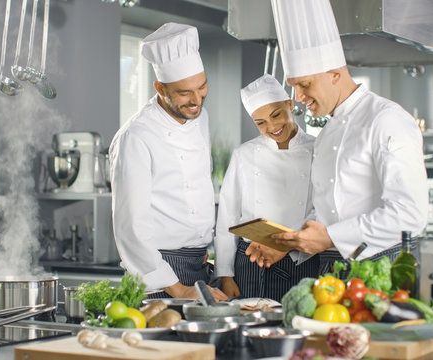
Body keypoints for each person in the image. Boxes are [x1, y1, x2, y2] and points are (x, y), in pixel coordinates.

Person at [262, 0, 429, 274]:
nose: (299, 99)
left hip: (382, 268)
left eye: (304, 85)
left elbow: (409, 215)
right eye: (294, 87)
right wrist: (292, 241)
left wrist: (330, 237)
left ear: (335, 75)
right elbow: (330, 211)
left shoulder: (386, 119)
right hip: (332, 267)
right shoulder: (326, 132)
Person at [109, 23, 227, 300]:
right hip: (160, 274)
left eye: (202, 87)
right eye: (185, 93)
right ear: (160, 88)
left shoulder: (200, 117)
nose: (196, 100)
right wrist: (177, 288)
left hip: (199, 264)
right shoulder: (136, 136)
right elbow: (130, 226)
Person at [214, 74, 319, 302]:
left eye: (276, 115)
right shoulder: (244, 154)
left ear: (290, 105)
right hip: (251, 260)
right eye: (260, 122)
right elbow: (227, 217)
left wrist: (288, 244)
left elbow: (320, 209)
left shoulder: (317, 150)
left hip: (299, 258)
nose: (271, 126)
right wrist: (226, 275)